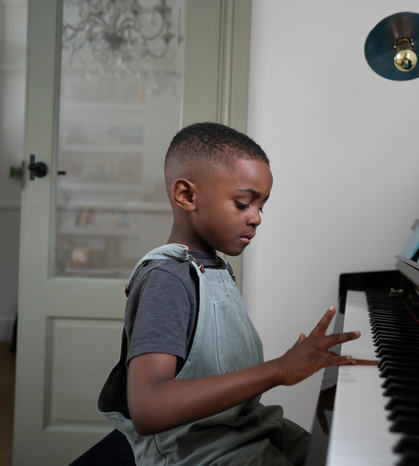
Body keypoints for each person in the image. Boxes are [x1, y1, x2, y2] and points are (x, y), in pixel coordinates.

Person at [98, 122, 360, 465]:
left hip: (240, 431)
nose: (256, 219)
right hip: (199, 453)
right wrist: (279, 370)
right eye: (242, 203)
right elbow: (148, 406)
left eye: (261, 207)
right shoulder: (167, 278)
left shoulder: (213, 267)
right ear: (187, 196)